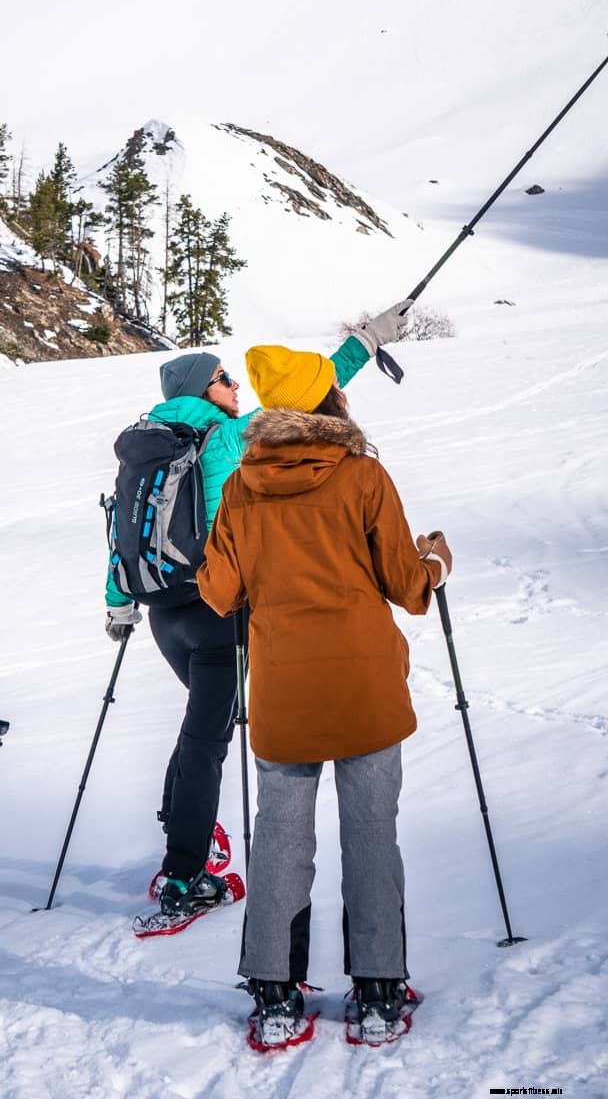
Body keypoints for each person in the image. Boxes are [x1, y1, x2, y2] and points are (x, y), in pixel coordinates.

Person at [104, 302, 411, 920]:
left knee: (200, 731)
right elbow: (305, 399)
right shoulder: (222, 437)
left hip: (164, 614)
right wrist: (366, 344)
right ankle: (184, 873)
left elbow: (123, 525)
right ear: (202, 390)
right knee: (207, 740)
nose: (234, 385)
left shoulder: (149, 441)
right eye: (222, 378)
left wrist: (119, 604)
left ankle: (183, 831)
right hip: (218, 607)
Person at [196, 343, 452, 1048]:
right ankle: (378, 991)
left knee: (280, 836)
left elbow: (218, 592)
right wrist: (436, 558)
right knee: (372, 834)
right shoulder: (362, 476)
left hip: (284, 690)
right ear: (328, 402)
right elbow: (407, 583)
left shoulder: (243, 487)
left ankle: (275, 994)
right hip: (364, 687)